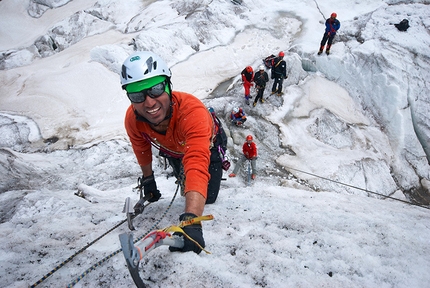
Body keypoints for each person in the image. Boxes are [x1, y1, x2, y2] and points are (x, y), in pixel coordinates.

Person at [120, 51, 227, 254]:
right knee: (187, 185)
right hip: (174, 150)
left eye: (156, 89)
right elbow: (141, 147)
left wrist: (191, 222)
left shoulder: (192, 112)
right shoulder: (133, 120)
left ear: (168, 85)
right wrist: (148, 179)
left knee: (209, 197)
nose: (149, 102)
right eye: (137, 94)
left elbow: (196, 160)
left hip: (207, 146)